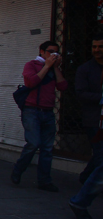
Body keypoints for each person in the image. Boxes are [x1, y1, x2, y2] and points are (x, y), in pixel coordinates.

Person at [10, 40, 68, 192]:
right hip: (32, 110)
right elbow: (30, 82)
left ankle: (44, 180)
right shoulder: (32, 65)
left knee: (47, 148)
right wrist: (47, 66)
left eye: (56, 52)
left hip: (48, 111)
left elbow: (62, 86)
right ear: (42, 52)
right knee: (33, 143)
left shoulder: (55, 69)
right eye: (50, 52)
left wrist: (55, 68)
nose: (53, 55)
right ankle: (18, 169)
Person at [74, 32, 103, 185]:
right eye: (94, 47)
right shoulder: (85, 69)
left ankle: (86, 178)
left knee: (100, 155)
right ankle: (90, 188)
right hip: (93, 119)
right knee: (100, 155)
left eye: (100, 47)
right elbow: (81, 93)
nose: (97, 50)